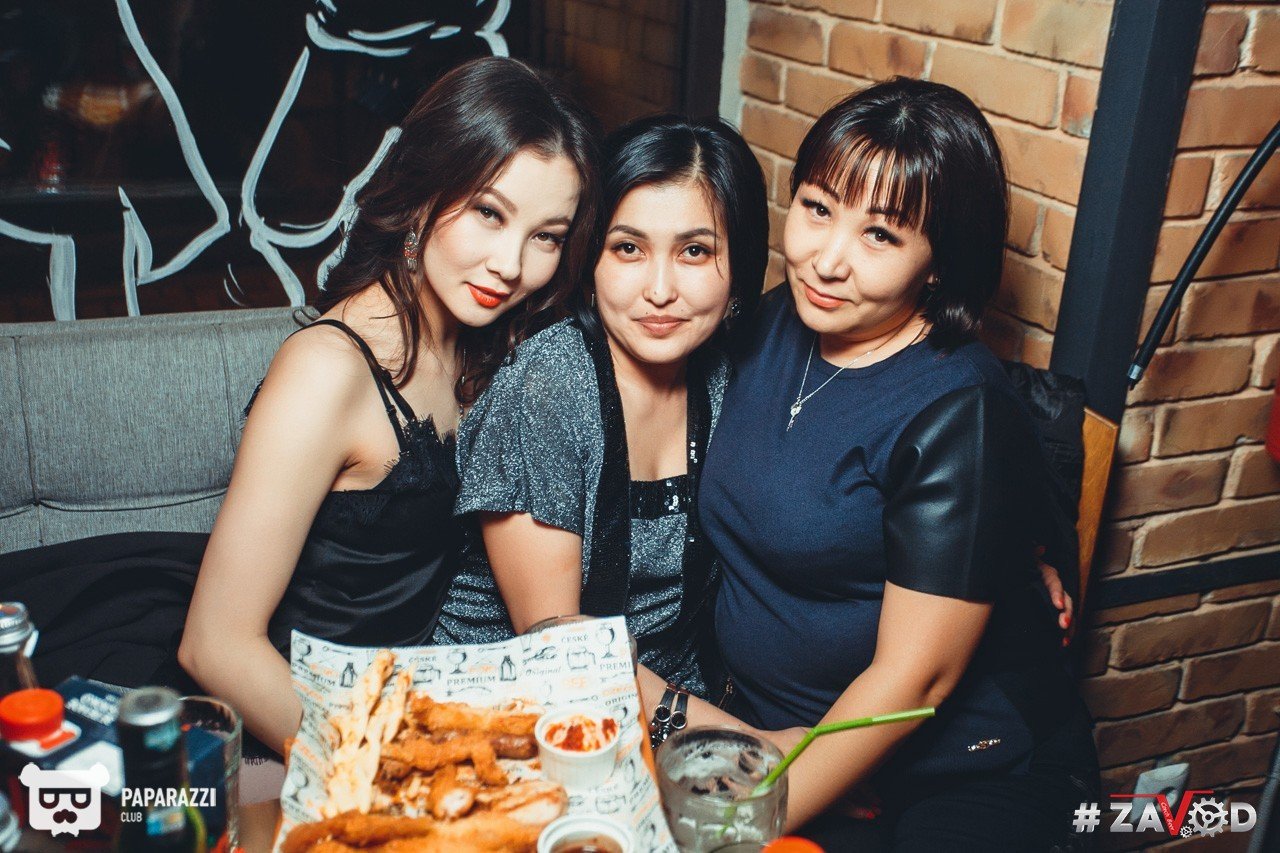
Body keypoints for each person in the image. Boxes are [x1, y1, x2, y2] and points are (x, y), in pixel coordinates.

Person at [662, 78, 1098, 850]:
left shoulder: (961, 407)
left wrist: (747, 818)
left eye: (881, 236)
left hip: (963, 769)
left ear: (938, 263)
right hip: (797, 736)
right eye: (817, 208)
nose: (827, 260)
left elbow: (914, 679)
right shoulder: (778, 317)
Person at [177, 56, 599, 757]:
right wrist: (392, 767)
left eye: (546, 236)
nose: (510, 264)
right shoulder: (327, 371)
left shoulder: (485, 342)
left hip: (411, 707)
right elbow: (215, 646)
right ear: (424, 191)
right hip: (300, 728)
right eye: (489, 213)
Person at [432, 115, 768, 701]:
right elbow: (560, 654)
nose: (659, 290)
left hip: (668, 695)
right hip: (514, 703)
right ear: (590, 261)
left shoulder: (722, 379)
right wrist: (723, 734)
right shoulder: (549, 386)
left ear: (738, 268)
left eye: (694, 251)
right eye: (628, 248)